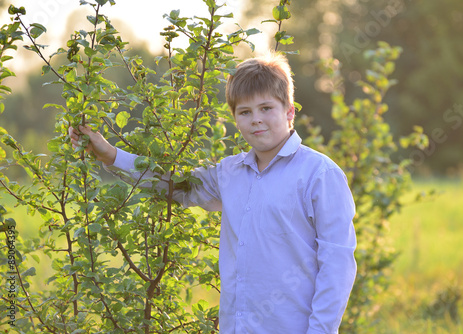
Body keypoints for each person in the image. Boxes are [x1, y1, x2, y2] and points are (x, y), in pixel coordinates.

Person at [69, 53, 357, 334]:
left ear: (289, 112)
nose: (256, 119)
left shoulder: (320, 175)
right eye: (245, 112)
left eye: (266, 108)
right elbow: (173, 186)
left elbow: (337, 266)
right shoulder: (228, 173)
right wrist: (110, 155)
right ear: (235, 118)